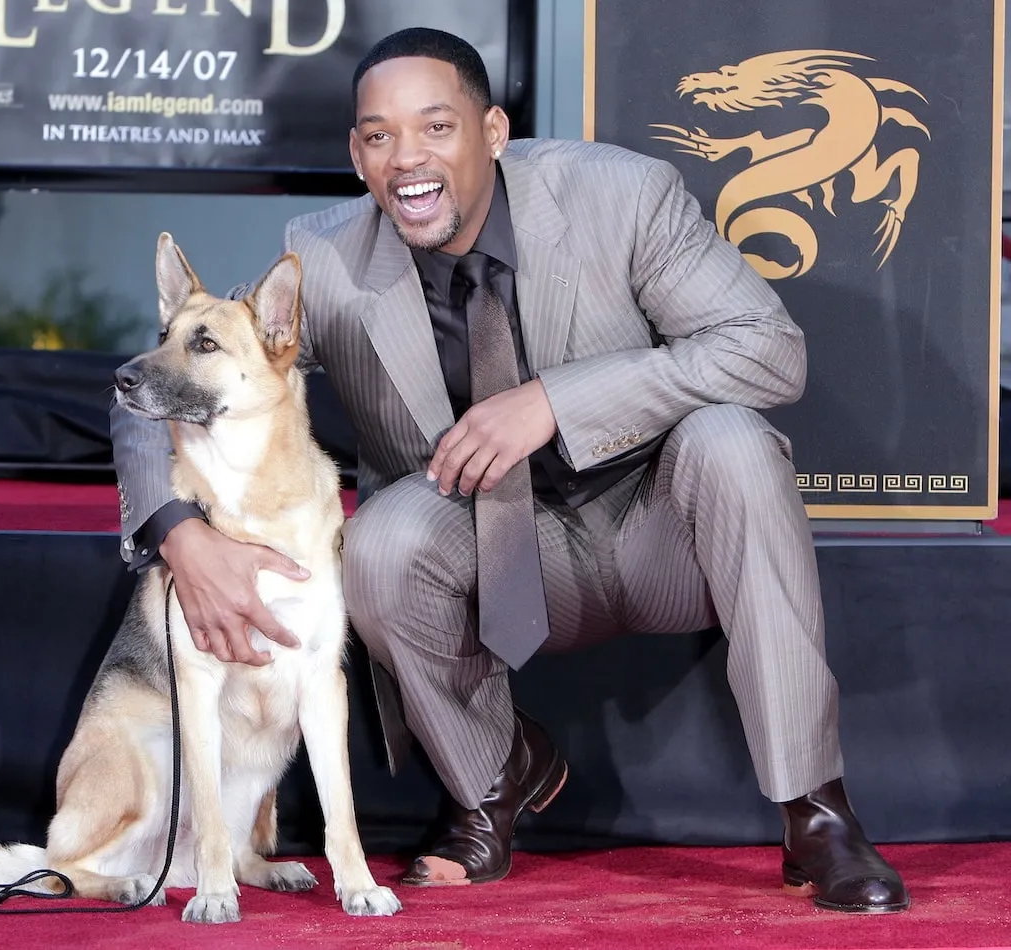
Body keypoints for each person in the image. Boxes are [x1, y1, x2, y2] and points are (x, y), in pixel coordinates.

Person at [110, 27, 909, 913]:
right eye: (378, 136)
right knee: (377, 542)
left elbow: (767, 351)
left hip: (661, 530)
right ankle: (493, 776)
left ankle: (817, 813)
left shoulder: (621, 195)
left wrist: (555, 401)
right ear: (356, 153)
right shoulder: (327, 256)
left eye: (435, 127)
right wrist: (178, 536)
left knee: (734, 442)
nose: (406, 160)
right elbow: (170, 375)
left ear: (492, 131)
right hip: (491, 559)